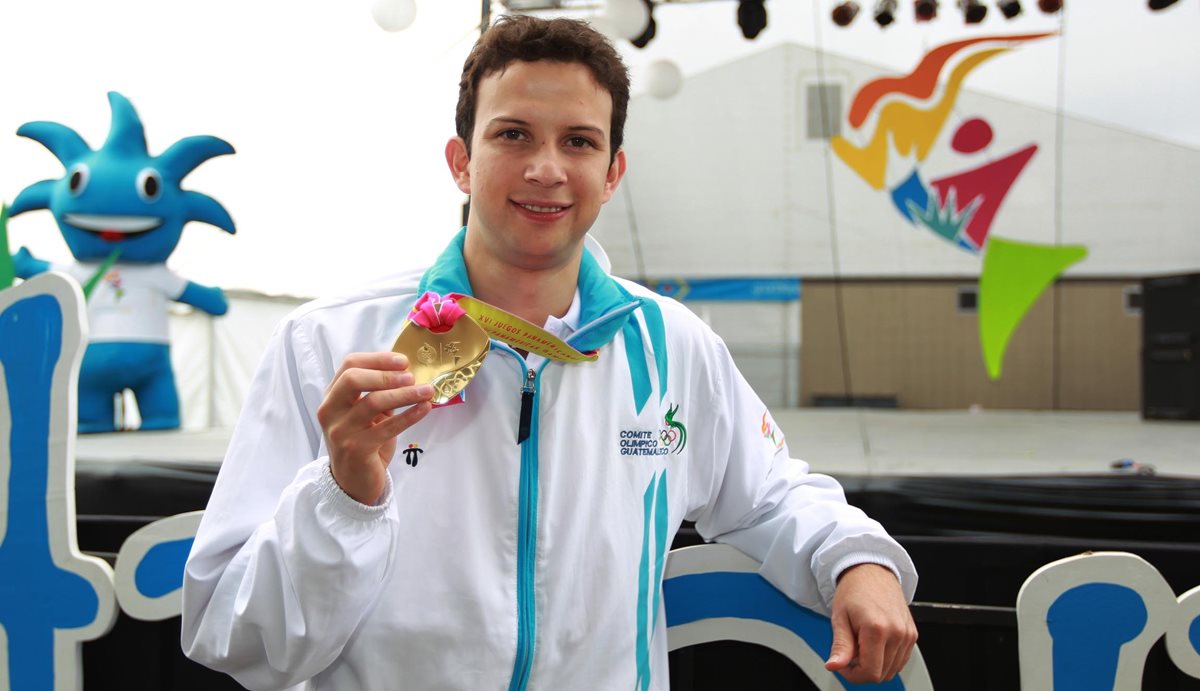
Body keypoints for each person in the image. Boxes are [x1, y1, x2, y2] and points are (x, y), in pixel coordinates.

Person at [182, 15, 918, 690]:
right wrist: (342, 495)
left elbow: (772, 494)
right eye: (512, 135)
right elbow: (233, 634)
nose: (546, 168)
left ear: (613, 173)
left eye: (578, 141)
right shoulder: (330, 342)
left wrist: (856, 557)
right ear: (460, 163)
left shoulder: (669, 345)